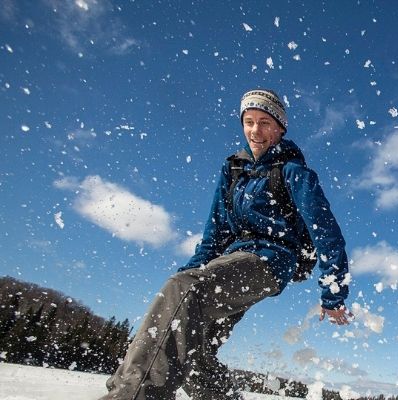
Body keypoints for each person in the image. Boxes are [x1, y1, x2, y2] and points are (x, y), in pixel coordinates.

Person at [102, 89, 352, 400]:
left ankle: (133, 395)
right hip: (232, 259)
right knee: (195, 343)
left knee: (187, 293)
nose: (255, 131)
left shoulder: (294, 172)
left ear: (280, 128)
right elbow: (214, 235)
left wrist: (333, 292)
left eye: (264, 122)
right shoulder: (233, 170)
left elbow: (325, 232)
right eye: (249, 122)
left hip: (270, 262)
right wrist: (188, 275)